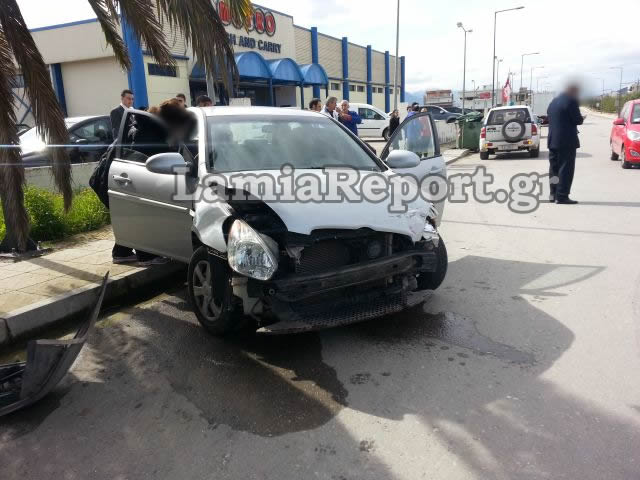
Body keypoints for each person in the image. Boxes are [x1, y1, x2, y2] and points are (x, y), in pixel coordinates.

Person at [547, 83, 584, 204]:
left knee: (554, 169)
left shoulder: (553, 102)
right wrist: (582, 118)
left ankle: (553, 194)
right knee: (565, 169)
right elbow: (577, 119)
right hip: (566, 141)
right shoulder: (571, 101)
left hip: (553, 141)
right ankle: (562, 196)